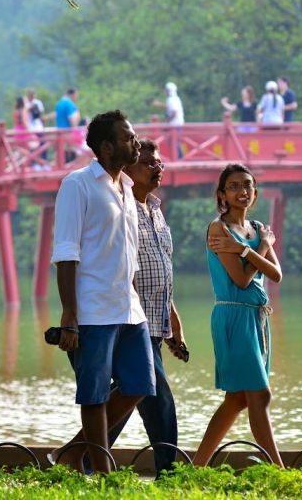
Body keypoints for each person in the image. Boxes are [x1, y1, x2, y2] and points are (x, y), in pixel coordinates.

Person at [49, 110, 155, 474]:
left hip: (129, 306)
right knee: (94, 394)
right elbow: (66, 251)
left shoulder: (126, 187)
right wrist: (69, 314)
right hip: (93, 309)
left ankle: (73, 452)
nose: (136, 143)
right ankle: (105, 474)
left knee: (141, 383)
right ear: (107, 146)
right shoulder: (77, 184)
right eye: (129, 138)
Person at [81, 139, 188, 477]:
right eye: (148, 163)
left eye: (159, 163)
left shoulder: (155, 209)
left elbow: (161, 271)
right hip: (128, 322)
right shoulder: (121, 209)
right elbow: (118, 268)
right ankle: (169, 473)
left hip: (155, 325)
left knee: (127, 398)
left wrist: (174, 324)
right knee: (157, 400)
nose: (157, 168)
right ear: (126, 168)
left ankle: (80, 459)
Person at [193, 163, 284, 467]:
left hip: (257, 318)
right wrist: (258, 250)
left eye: (247, 185)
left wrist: (252, 248)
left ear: (254, 191)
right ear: (222, 195)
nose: (242, 191)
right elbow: (241, 280)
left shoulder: (257, 230)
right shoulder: (219, 229)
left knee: (237, 400)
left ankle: (196, 468)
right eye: (233, 186)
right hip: (233, 317)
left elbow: (276, 274)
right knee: (259, 396)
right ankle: (279, 471)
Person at [153, 82, 185, 158]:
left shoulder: (172, 99)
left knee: (174, 143)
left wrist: (167, 122)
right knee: (173, 143)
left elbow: (174, 113)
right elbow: (168, 107)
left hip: (175, 125)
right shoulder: (173, 99)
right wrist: (158, 104)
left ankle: (179, 158)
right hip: (175, 124)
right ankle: (177, 158)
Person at [55, 88, 82, 162]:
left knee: (61, 154)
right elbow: (72, 121)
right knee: (71, 153)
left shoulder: (59, 103)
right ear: (73, 95)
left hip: (60, 132)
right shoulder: (69, 103)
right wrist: (78, 113)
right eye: (76, 95)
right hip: (68, 132)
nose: (76, 98)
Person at [25, 88, 48, 167]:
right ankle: (33, 164)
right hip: (31, 128)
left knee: (43, 145)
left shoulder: (38, 103)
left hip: (38, 127)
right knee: (33, 146)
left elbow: (41, 116)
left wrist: (43, 126)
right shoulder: (26, 104)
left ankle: (44, 163)